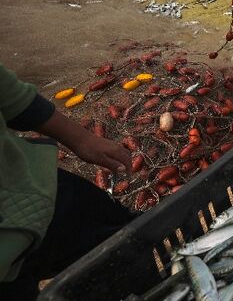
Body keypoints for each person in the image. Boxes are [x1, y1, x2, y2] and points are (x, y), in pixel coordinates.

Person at [0, 63, 134, 300]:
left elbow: (9, 92)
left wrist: (81, 139)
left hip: (32, 185)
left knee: (126, 240)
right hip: (6, 263)